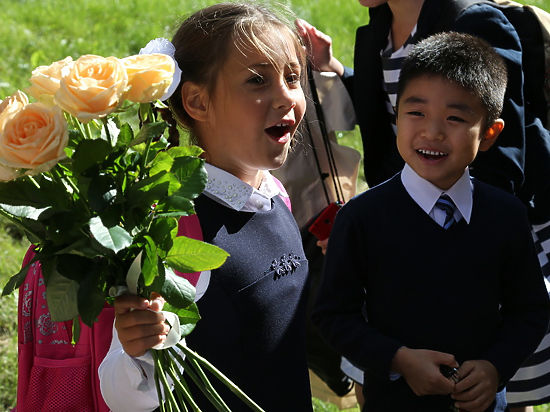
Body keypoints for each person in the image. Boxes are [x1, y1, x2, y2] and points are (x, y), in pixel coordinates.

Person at [297, 1, 550, 410]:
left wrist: (494, 367)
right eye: (415, 113)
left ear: (487, 133)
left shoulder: (501, 218)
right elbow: (335, 315)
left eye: (452, 119)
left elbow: (528, 311)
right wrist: (396, 360)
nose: (432, 131)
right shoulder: (366, 221)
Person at [98, 3, 313, 411]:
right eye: (257, 81)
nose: (285, 96)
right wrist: (137, 347)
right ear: (197, 102)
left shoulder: (274, 194)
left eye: (292, 78)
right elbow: (124, 393)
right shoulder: (180, 228)